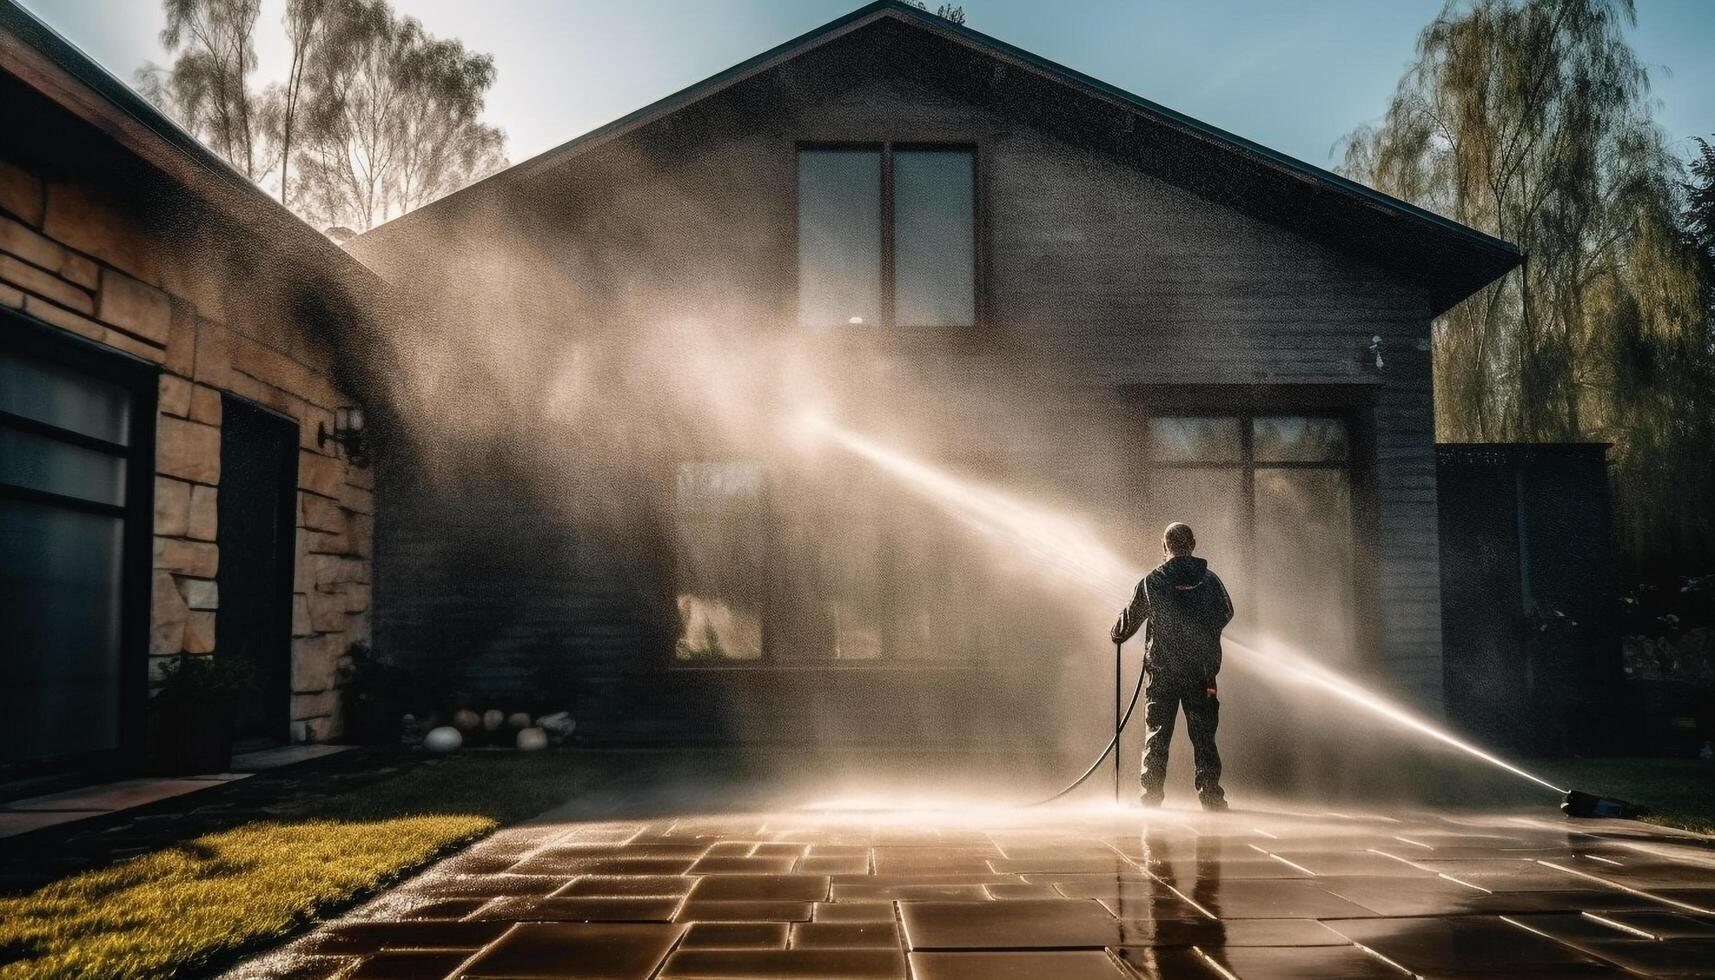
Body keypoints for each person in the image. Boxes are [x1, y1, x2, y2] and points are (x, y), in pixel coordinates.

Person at [1110, 522, 1234, 810]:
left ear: (1164, 547)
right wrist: (1203, 634)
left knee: (1157, 736)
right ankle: (1211, 797)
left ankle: (1150, 798)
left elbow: (1126, 626)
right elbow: (1227, 611)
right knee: (1204, 737)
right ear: (1193, 543)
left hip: (1163, 673)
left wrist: (1117, 630)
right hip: (1202, 673)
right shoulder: (1210, 581)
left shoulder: (1151, 582)